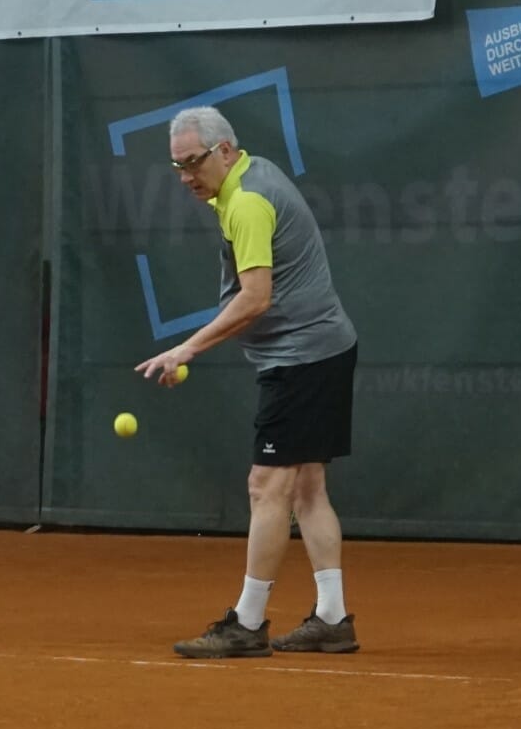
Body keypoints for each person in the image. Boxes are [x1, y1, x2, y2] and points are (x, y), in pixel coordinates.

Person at [137, 106, 360, 658]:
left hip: (303, 359)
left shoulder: (248, 202)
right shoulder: (249, 176)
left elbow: (256, 298)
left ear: (225, 151)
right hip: (323, 350)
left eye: (193, 163)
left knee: (267, 486)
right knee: (307, 487)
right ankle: (332, 618)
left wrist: (187, 347)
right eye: (178, 166)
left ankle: (247, 622)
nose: (186, 176)